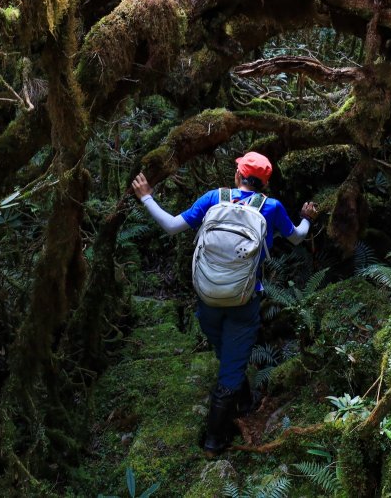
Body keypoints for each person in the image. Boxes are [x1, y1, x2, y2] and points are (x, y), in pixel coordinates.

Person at [131, 151, 317, 457]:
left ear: (237, 176)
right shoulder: (271, 207)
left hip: (207, 298)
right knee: (231, 364)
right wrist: (307, 218)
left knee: (226, 351)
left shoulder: (213, 198)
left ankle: (242, 399)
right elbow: (296, 238)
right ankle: (214, 440)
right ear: (264, 183)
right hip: (244, 300)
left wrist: (147, 197)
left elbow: (173, 226)